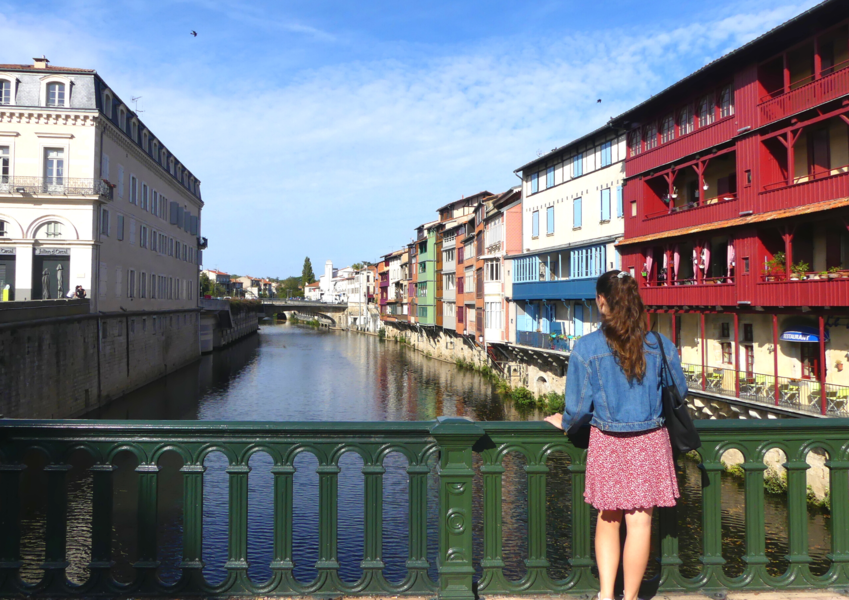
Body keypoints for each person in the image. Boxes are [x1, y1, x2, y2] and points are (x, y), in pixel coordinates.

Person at [544, 269, 687, 600]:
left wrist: (563, 422)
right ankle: (631, 596)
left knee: (608, 520)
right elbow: (678, 389)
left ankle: (606, 595)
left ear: (602, 301)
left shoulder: (587, 347)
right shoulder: (659, 344)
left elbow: (579, 409)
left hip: (609, 442)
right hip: (650, 441)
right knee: (640, 524)